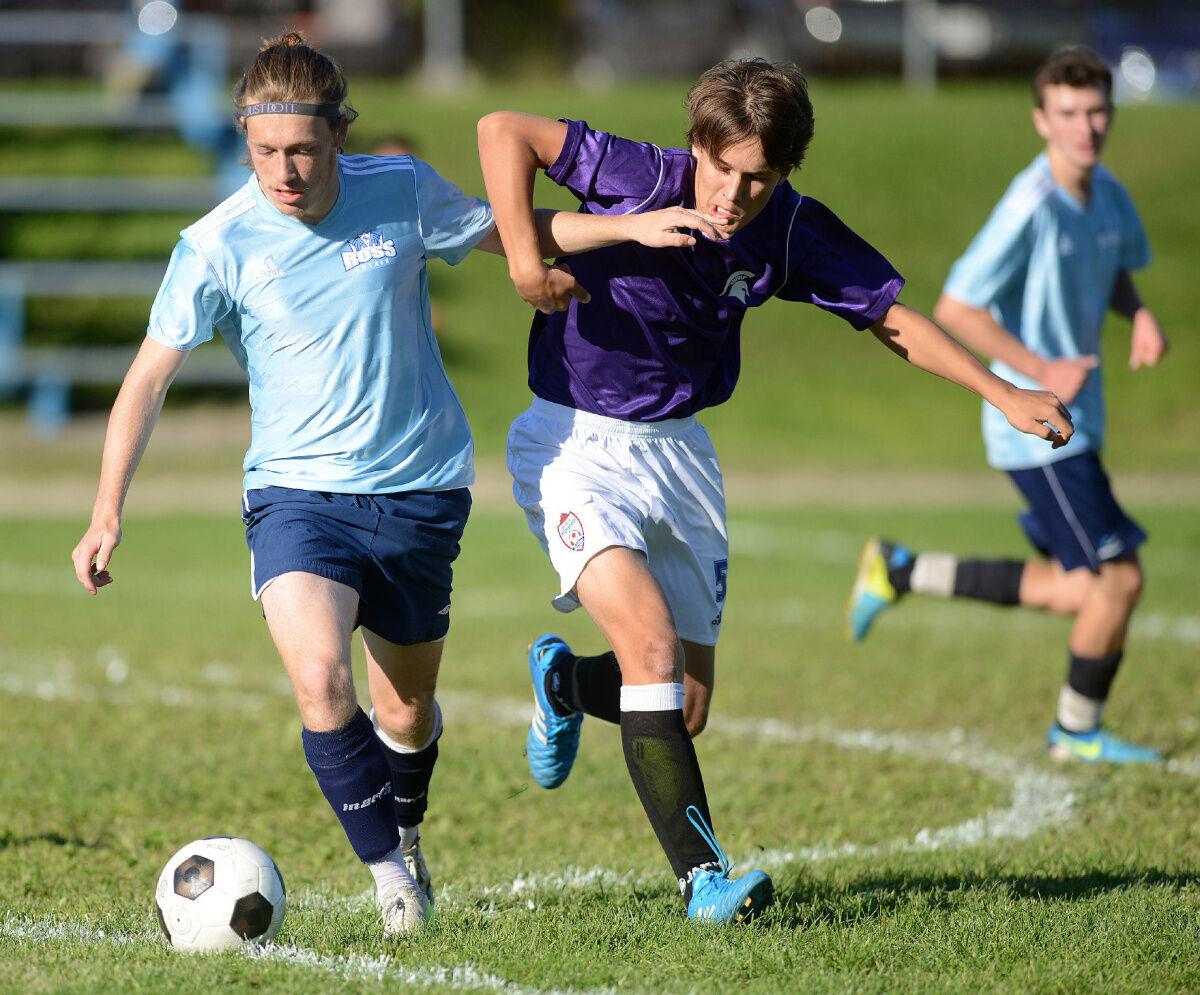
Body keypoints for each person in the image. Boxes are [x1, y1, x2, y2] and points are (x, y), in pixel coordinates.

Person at [70, 32, 721, 938]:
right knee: (319, 679)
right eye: (264, 153)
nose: (284, 171)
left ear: (341, 132)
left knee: (405, 710)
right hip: (296, 496)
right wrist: (106, 512)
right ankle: (389, 876)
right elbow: (145, 379)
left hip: (420, 492)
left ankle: (404, 832)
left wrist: (631, 227)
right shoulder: (215, 244)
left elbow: (516, 233)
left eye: (302, 149)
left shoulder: (400, 192)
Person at [477, 58, 1073, 925]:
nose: (730, 195)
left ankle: (566, 685)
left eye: (758, 178)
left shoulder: (790, 231)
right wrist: (528, 264)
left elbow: (891, 317)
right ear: (697, 147)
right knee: (650, 652)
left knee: (685, 702)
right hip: (573, 443)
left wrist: (1005, 393)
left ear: (785, 173)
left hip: (680, 454)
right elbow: (505, 130)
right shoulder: (639, 174)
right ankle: (704, 881)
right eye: (722, 168)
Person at [846, 48, 1168, 765]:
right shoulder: (1030, 204)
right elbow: (959, 305)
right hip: (1037, 426)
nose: (1086, 127)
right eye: (1068, 114)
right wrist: (1036, 369)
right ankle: (1076, 731)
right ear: (1040, 120)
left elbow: (1114, 270)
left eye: (1096, 111)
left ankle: (898, 569)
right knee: (1120, 578)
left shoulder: (1107, 193)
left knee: (1073, 588)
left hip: (1077, 419)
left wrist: (1139, 313)